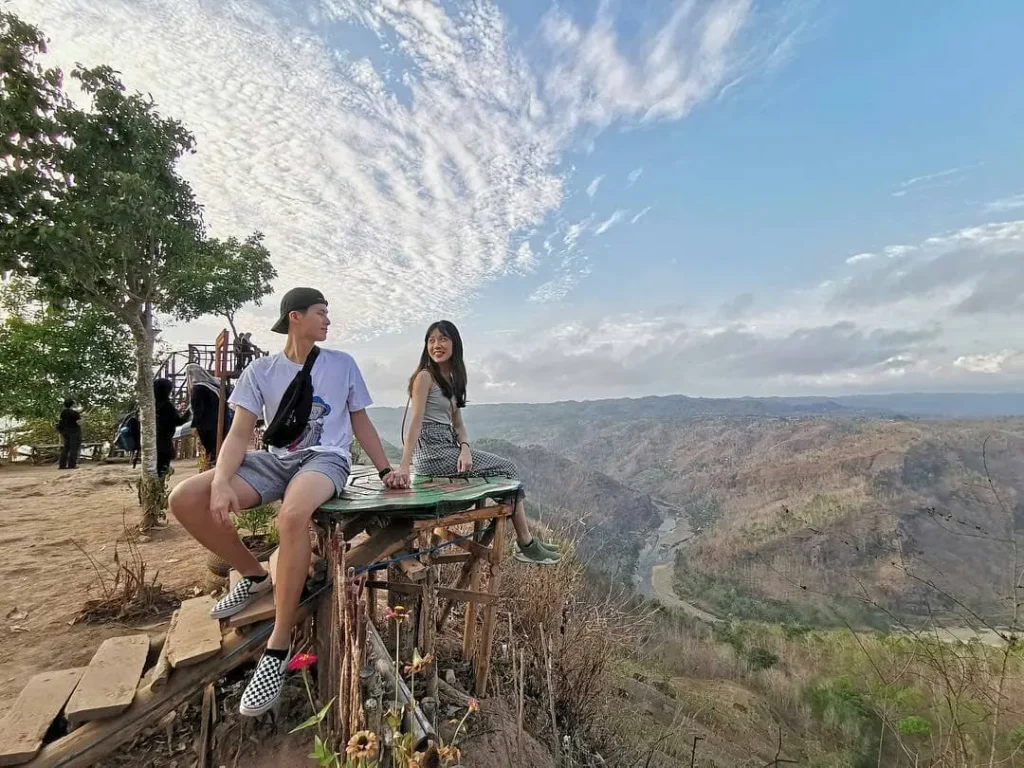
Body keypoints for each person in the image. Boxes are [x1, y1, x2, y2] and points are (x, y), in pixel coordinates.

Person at [168, 287, 408, 717]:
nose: (328, 320)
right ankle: (254, 574)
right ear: (295, 317)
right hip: (276, 461)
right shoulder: (261, 370)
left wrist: (386, 468)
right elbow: (240, 434)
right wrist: (222, 481)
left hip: (326, 460)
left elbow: (359, 421)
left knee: (294, 514)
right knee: (186, 498)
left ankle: (277, 647)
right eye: (321, 311)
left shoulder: (342, 364)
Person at [398, 320, 560, 565]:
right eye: (431, 340)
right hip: (432, 454)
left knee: (506, 473)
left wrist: (465, 449)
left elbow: (459, 424)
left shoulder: (451, 380)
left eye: (442, 339)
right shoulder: (424, 377)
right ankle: (525, 543)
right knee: (509, 469)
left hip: (449, 448)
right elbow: (416, 421)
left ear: (454, 344)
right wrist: (404, 466)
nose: (436, 345)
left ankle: (526, 542)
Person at [154, 378, 191, 477]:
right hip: (164, 443)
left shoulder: (151, 405)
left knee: (154, 469)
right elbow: (178, 421)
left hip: (152, 443)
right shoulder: (167, 406)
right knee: (162, 470)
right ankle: (158, 490)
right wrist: (189, 411)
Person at [56, 398, 82, 470]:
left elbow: (62, 421)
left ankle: (62, 465)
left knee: (66, 448)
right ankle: (72, 465)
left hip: (65, 432)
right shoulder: (75, 413)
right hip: (74, 432)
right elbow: (79, 422)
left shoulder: (63, 413)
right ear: (72, 404)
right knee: (74, 448)